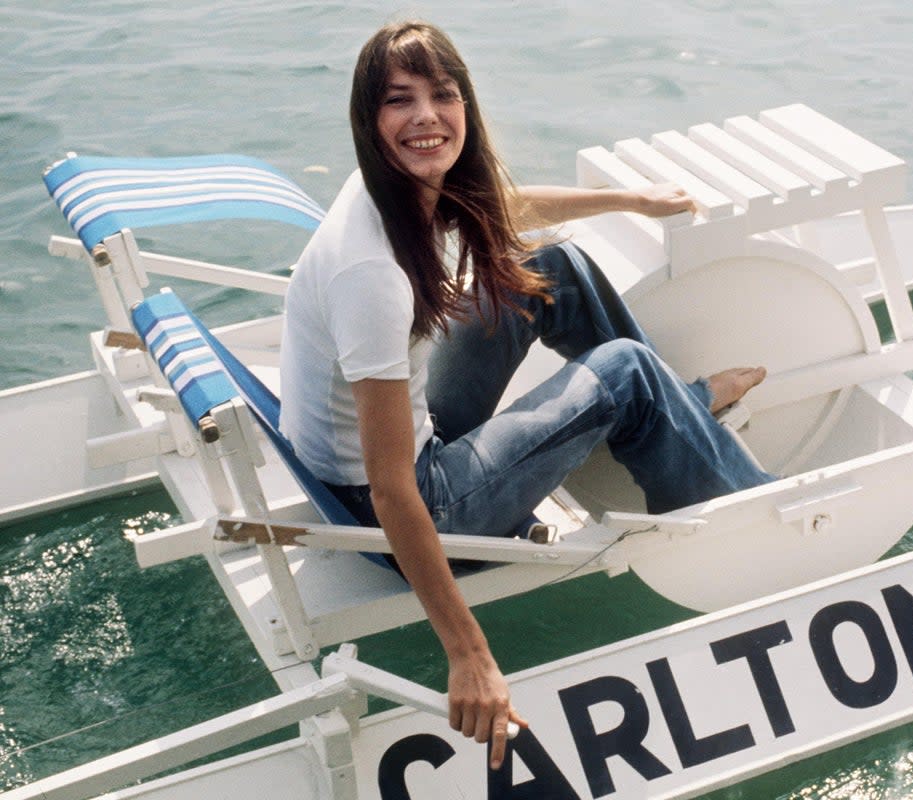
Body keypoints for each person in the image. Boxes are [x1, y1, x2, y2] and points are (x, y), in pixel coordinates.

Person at [278, 20, 775, 770]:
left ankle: (679, 408)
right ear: (367, 117)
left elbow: (500, 206)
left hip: (399, 446)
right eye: (399, 101)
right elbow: (389, 489)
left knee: (555, 266)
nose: (424, 118)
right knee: (625, 370)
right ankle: (750, 518)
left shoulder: (388, 180)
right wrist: (469, 655)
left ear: (465, 106)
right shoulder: (371, 275)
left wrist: (630, 200)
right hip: (413, 505)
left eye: (442, 96)